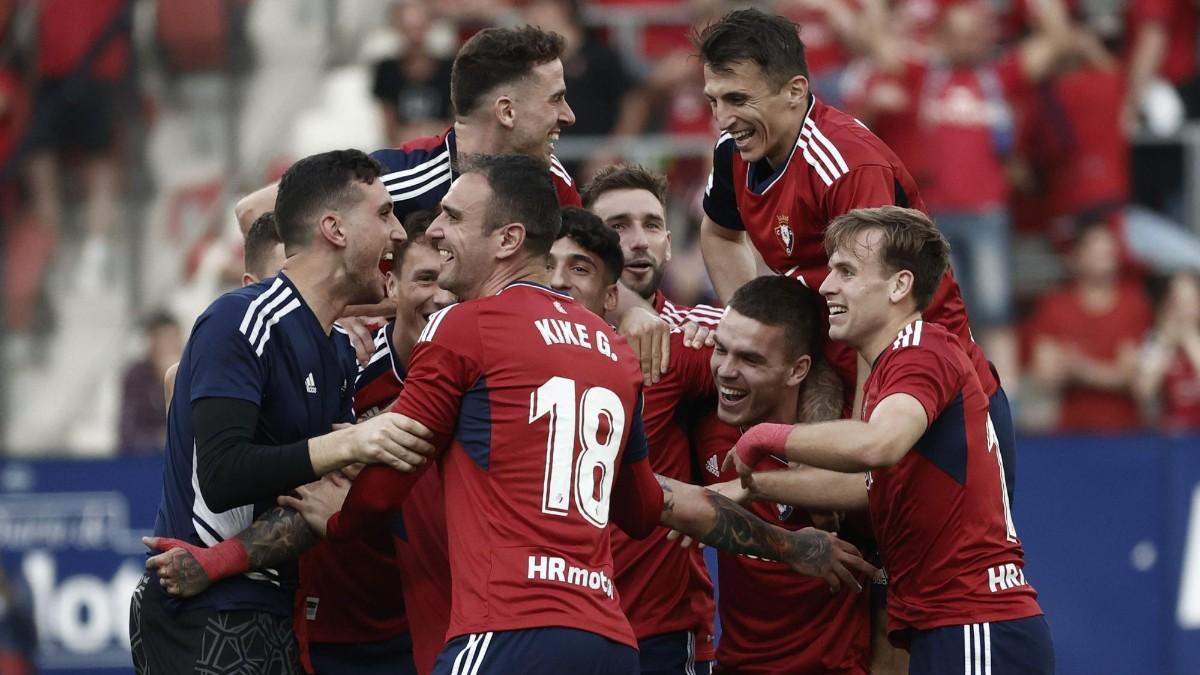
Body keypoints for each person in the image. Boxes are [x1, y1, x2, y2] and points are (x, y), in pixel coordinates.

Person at [283, 154, 875, 674]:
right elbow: (645, 505)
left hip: (506, 629)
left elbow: (389, 481)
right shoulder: (614, 349)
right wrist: (787, 543)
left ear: (509, 240)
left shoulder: (462, 328)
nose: (436, 229)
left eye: (454, 217)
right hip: (608, 642)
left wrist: (338, 512)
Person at [130, 149, 435, 674]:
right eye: (384, 215)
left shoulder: (339, 354)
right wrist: (352, 442)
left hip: (268, 608)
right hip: (201, 611)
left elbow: (309, 507)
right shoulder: (240, 318)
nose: (399, 235)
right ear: (335, 229)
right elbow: (223, 474)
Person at [694, 8, 1015, 499]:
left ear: (796, 90)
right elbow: (719, 234)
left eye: (738, 100)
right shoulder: (733, 150)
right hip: (841, 378)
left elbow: (877, 308)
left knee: (941, 563)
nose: (723, 118)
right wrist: (758, 329)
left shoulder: (845, 165)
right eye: (714, 100)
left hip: (929, 393)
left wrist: (858, 430)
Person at [729, 206, 1052, 674]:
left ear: (900, 286)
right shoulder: (897, 367)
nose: (826, 286)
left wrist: (765, 436)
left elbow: (878, 445)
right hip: (954, 626)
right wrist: (757, 487)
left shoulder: (922, 350)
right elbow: (867, 484)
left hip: (975, 624)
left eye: (846, 271)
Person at [548, 206, 722, 674]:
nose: (559, 281)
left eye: (578, 267)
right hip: (548, 628)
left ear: (610, 292)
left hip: (657, 630)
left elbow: (780, 360)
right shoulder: (492, 358)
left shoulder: (676, 349)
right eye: (618, 226)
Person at [703, 275, 872, 675]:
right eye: (720, 350)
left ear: (798, 370)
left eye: (750, 359)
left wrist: (755, 485)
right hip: (735, 666)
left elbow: (867, 487)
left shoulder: (847, 441)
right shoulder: (705, 416)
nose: (726, 371)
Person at [1026, 220, 1151, 433]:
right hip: (1071, 433)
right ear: (1076, 257)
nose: (1102, 258)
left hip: (1126, 433)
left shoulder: (1134, 304)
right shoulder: (1054, 306)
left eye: (1107, 251)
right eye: (1094, 251)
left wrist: (1081, 369)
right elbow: (1044, 373)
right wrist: (1106, 372)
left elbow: (1131, 375)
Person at [1136, 272, 1200, 433]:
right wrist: (1164, 344)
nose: (1183, 310)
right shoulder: (1156, 341)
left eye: (1189, 302)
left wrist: (1190, 341)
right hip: (1167, 435)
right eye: (1177, 302)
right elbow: (1143, 392)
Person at [120, 310, 183, 453]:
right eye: (166, 340)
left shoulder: (193, 372)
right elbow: (128, 435)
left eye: (175, 339)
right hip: (146, 463)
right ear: (152, 342)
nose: (172, 347)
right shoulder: (136, 375)